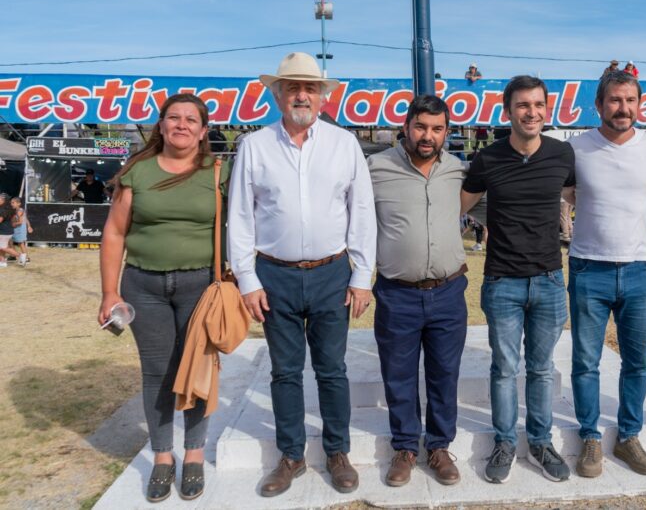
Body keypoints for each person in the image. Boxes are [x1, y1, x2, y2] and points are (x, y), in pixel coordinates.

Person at [228, 52, 376, 498]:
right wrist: (248, 280)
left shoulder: (344, 144)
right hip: (275, 276)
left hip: (333, 274)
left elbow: (361, 211)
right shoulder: (254, 146)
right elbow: (240, 217)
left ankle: (337, 452)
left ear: (322, 97)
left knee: (332, 369)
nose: (301, 95)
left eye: (310, 88)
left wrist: (362, 276)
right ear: (277, 95)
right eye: (292, 87)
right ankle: (291, 455)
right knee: (285, 372)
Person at [98, 93, 230, 503]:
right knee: (157, 372)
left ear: (204, 131)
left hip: (200, 286)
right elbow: (114, 232)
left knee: (196, 370)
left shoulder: (218, 172)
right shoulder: (137, 171)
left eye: (191, 119)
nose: (182, 125)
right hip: (143, 286)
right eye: (174, 118)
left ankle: (194, 453)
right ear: (162, 125)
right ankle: (161, 456)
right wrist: (109, 292)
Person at [461, 75, 576, 484]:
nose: (531, 112)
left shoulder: (562, 154)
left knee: (542, 369)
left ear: (547, 109)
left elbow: (580, 196)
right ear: (507, 110)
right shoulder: (488, 159)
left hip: (548, 279)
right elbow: (458, 205)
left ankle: (541, 443)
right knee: (505, 368)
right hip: (502, 282)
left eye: (538, 105)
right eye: (523, 105)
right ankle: (505, 442)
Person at [564, 70, 646, 479]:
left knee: (637, 362)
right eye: (615, 100)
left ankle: (628, 437)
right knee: (585, 361)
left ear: (639, 104)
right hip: (589, 267)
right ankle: (590, 437)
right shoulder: (576, 148)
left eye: (630, 100)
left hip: (640, 268)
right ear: (599, 105)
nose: (623, 108)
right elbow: (566, 194)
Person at [368, 95, 468, 487]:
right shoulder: (376, 168)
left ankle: (439, 446)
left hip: (448, 291)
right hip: (397, 293)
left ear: (447, 132)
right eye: (421, 127)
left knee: (445, 374)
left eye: (437, 129)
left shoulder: (457, 169)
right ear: (406, 126)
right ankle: (406, 447)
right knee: (399, 375)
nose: (428, 136)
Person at [0, 193, 22, 268]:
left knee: (3, 247)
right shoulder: (9, 209)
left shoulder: (2, 210)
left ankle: (20, 256)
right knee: (2, 246)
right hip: (8, 230)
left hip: (3, 231)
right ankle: (2, 262)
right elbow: (13, 219)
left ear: (4, 200)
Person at [10, 197, 31, 265]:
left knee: (21, 244)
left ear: (19, 203)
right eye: (11, 203)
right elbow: (26, 219)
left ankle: (27, 258)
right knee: (10, 241)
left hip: (20, 230)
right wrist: (29, 226)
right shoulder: (15, 210)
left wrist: (13, 224)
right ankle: (13, 255)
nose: (11, 204)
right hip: (16, 229)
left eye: (13, 203)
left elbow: (20, 222)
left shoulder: (20, 211)